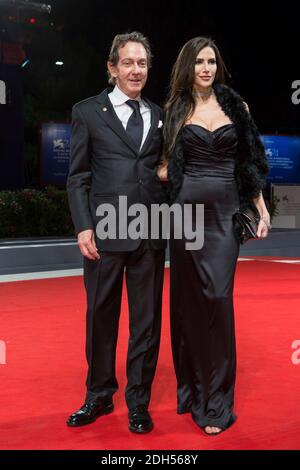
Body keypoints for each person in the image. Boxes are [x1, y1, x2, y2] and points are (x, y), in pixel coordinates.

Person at [159, 36, 270, 435]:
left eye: (211, 61)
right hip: (185, 217)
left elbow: (250, 162)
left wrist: (260, 207)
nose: (206, 68)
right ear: (187, 66)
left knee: (218, 301)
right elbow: (165, 165)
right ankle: (193, 391)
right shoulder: (175, 109)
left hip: (223, 217)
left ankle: (218, 401)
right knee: (190, 305)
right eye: (199, 62)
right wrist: (164, 173)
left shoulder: (236, 107)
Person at [66, 32, 166, 433]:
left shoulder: (159, 115)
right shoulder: (88, 112)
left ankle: (138, 401)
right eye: (128, 62)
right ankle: (99, 395)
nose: (135, 70)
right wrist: (84, 226)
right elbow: (78, 177)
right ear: (112, 68)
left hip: (151, 232)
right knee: (101, 317)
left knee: (146, 322)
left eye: (142, 63)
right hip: (105, 231)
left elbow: (161, 171)